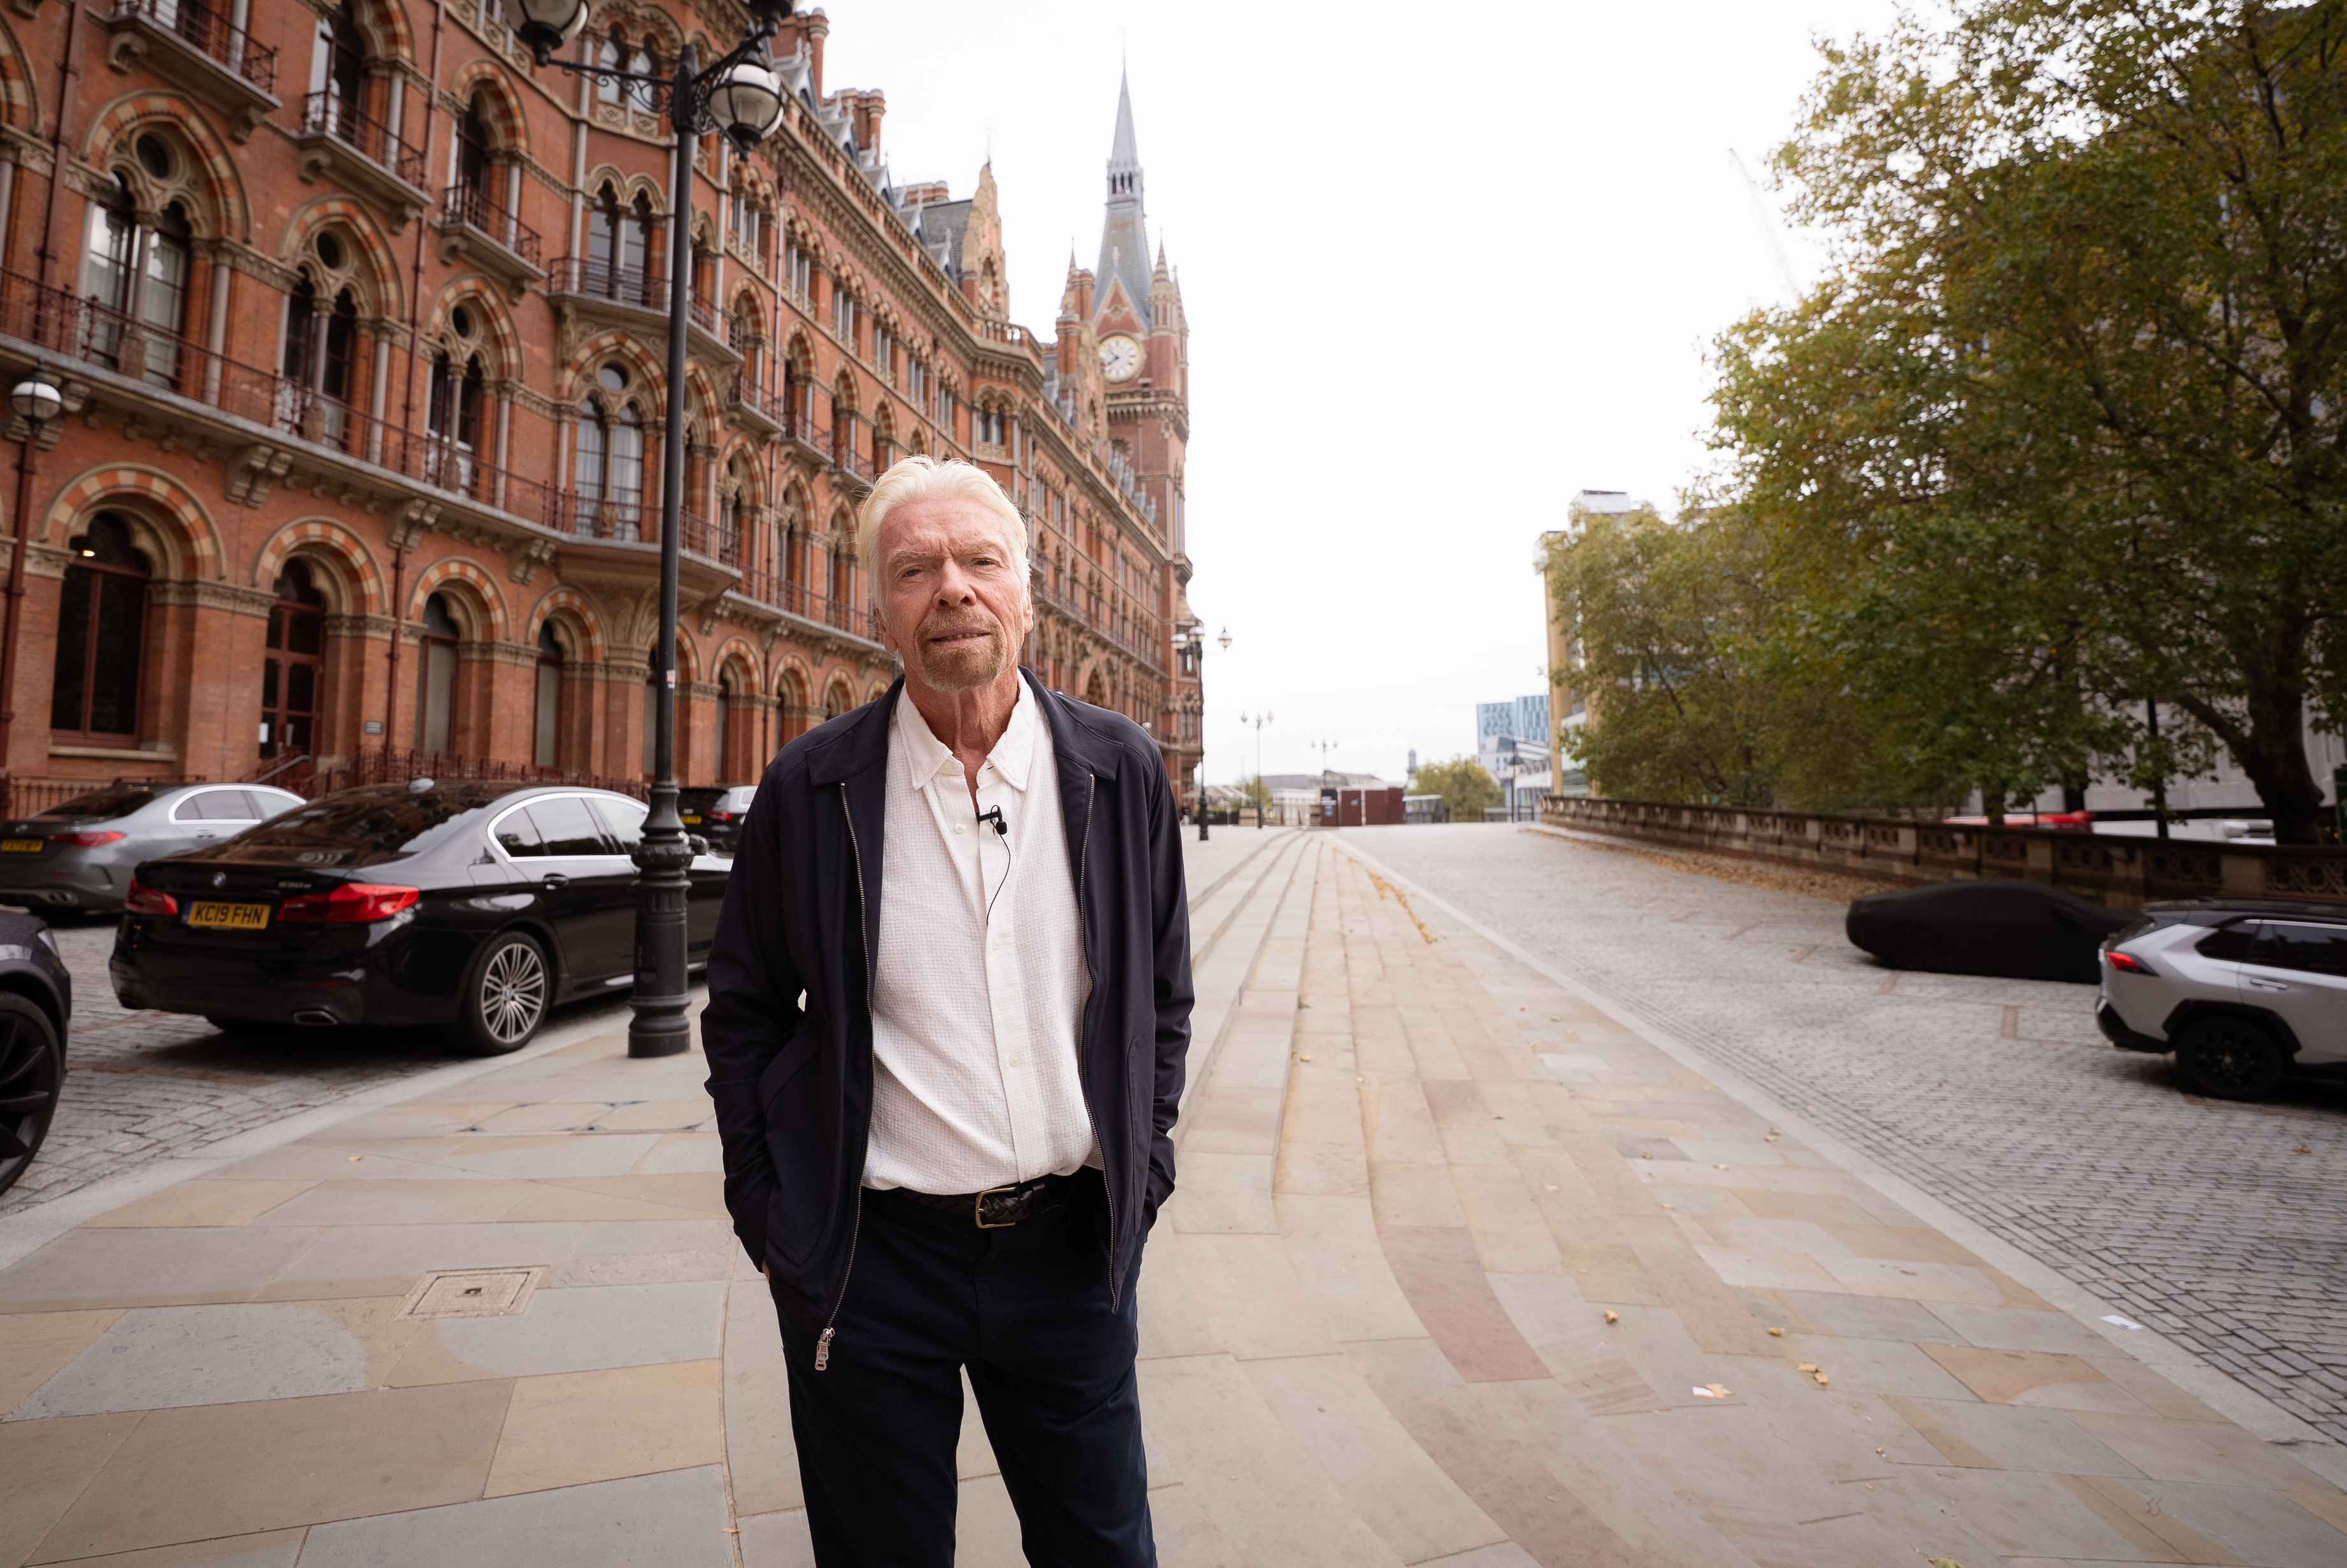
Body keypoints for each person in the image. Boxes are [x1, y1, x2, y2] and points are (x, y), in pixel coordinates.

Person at [702, 455, 1193, 1566]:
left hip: (1071, 1257)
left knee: (1105, 1549)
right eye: (915, 569)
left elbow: (1161, 995)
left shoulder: (1119, 770)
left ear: (1026, 590)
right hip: (871, 1265)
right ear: (879, 605)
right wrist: (773, 1219)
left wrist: (1145, 1166)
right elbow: (743, 1012)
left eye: (980, 561)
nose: (953, 589)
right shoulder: (811, 784)